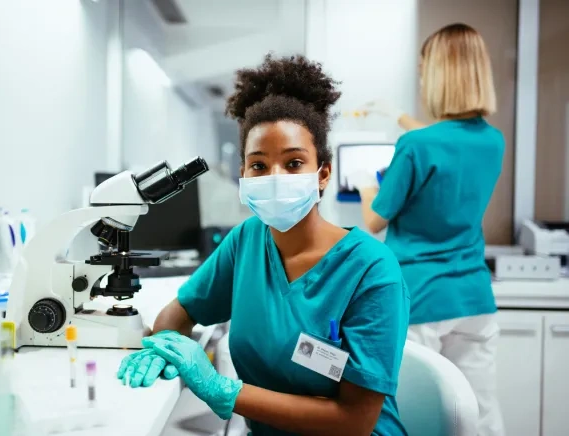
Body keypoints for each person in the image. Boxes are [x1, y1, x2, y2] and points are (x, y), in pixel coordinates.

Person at [118, 54, 410, 436]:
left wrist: (219, 388)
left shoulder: (372, 271)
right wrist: (166, 348)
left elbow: (355, 420)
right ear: (242, 173)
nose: (274, 177)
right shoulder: (247, 242)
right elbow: (178, 314)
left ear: (322, 174)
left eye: (293, 164)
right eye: (258, 165)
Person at [353, 23, 505, 436]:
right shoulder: (494, 141)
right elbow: (448, 142)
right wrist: (398, 116)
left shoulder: (415, 147)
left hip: (420, 299)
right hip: (474, 299)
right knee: (480, 415)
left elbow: (374, 220)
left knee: (416, 415)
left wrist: (367, 185)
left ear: (436, 75)